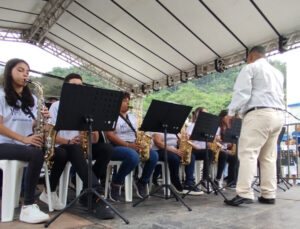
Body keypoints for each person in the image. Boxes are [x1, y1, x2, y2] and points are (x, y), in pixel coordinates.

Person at [39, 73, 114, 219]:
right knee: (74, 149)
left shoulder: (86, 107)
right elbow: (49, 134)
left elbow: (95, 139)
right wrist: (68, 141)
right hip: (63, 146)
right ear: (66, 88)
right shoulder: (56, 106)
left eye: (80, 86)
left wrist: (93, 126)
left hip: (79, 147)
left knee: (107, 149)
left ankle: (87, 192)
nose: (78, 89)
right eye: (74, 86)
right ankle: (96, 192)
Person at [224, 46, 285, 206]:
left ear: (251, 57)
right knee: (268, 157)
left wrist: (231, 112)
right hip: (278, 115)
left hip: (259, 114)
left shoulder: (250, 67)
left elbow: (242, 92)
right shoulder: (277, 73)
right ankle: (268, 193)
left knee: (248, 153)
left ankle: (244, 192)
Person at [0, 58, 49, 223]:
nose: (25, 74)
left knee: (55, 153)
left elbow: (33, 124)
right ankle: (28, 206)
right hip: (3, 144)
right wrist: (23, 138)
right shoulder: (1, 95)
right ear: (9, 72)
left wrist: (43, 119)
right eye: (20, 70)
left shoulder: (32, 100)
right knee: (35, 154)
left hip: (22, 145)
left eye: (27, 71)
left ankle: (49, 194)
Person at [106, 92, 158, 201]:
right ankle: (116, 183)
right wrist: (128, 145)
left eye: (128, 100)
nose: (127, 103)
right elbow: (110, 136)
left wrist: (145, 143)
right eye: (124, 101)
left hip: (133, 144)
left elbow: (141, 133)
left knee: (154, 156)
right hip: (117, 146)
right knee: (133, 156)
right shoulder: (111, 116)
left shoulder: (133, 118)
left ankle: (142, 182)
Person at [152, 126, 203, 195]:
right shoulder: (159, 128)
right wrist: (174, 151)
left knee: (190, 155)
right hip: (160, 150)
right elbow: (158, 142)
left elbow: (177, 143)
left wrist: (183, 141)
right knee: (174, 158)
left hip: (174, 150)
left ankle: (188, 184)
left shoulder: (174, 129)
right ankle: (175, 181)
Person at [186, 107, 213, 191]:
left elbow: (208, 145)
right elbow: (189, 141)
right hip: (193, 150)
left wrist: (210, 140)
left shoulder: (206, 128)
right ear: (198, 114)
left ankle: (205, 178)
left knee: (210, 152)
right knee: (193, 156)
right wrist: (197, 148)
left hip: (202, 150)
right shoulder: (192, 126)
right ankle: (189, 182)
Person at [213, 110, 238, 189]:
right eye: (227, 116)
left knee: (234, 158)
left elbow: (225, 144)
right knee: (223, 155)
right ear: (222, 117)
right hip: (217, 149)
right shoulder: (217, 127)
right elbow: (214, 142)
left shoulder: (228, 127)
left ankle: (231, 181)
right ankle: (217, 179)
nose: (229, 118)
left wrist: (229, 146)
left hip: (224, 149)